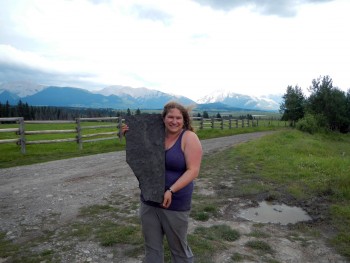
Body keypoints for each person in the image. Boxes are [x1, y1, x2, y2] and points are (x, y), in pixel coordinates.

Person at [123, 101, 202, 263]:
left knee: (179, 250)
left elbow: (193, 170)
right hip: (149, 199)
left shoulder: (189, 138)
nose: (174, 121)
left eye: (178, 118)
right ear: (163, 118)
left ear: (184, 120)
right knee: (152, 249)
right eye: (170, 117)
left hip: (175, 203)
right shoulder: (153, 135)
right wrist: (130, 136)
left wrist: (171, 190)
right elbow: (140, 158)